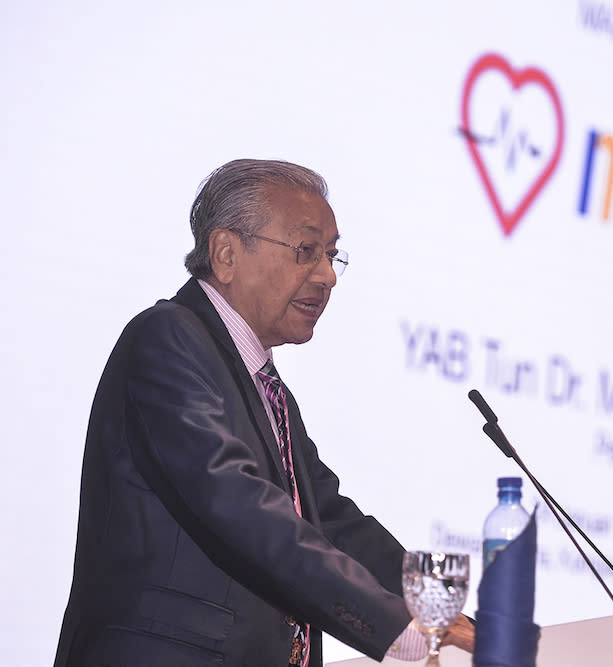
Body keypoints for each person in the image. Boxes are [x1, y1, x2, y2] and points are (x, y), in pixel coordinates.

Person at [54, 159, 475, 666]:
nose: (327, 277)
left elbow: (329, 519)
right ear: (226, 254)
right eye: (305, 251)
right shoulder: (167, 338)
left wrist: (437, 608)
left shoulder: (266, 386)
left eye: (332, 255)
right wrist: (394, 625)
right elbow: (237, 502)